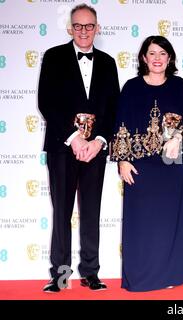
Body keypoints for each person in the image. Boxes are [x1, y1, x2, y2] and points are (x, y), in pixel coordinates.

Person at [38, 4, 120, 292]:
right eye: (78, 26)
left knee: (91, 211)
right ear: (70, 28)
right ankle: (60, 275)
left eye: (89, 26)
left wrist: (98, 142)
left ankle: (90, 272)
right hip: (63, 148)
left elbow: (113, 109)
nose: (84, 31)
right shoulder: (53, 57)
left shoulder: (109, 63)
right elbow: (47, 102)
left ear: (97, 28)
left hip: (95, 151)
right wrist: (75, 138)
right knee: (62, 211)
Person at [111, 35, 183, 292]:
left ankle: (170, 275)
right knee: (142, 222)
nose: (157, 58)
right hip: (140, 166)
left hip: (171, 165)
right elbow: (120, 123)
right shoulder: (131, 87)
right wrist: (123, 161)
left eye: (162, 53)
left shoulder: (179, 85)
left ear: (170, 58)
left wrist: (180, 137)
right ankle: (142, 278)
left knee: (171, 221)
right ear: (143, 58)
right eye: (152, 53)